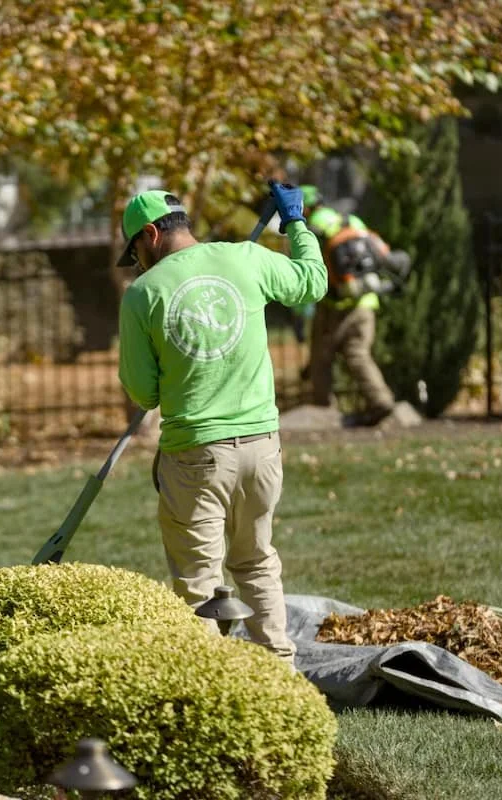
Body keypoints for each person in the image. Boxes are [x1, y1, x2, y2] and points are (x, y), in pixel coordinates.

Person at [116, 182, 326, 666]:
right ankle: (281, 679)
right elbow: (312, 282)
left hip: (195, 458)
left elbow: (145, 394)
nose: (138, 264)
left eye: (135, 252)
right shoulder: (244, 259)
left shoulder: (142, 295)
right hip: (262, 449)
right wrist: (295, 222)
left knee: (198, 582)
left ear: (149, 234)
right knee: (255, 560)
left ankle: (211, 689)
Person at [300, 184, 408, 424]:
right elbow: (380, 252)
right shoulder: (352, 220)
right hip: (366, 301)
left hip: (334, 305)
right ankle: (381, 401)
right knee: (358, 353)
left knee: (321, 356)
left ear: (304, 207)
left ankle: (322, 407)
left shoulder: (310, 228)